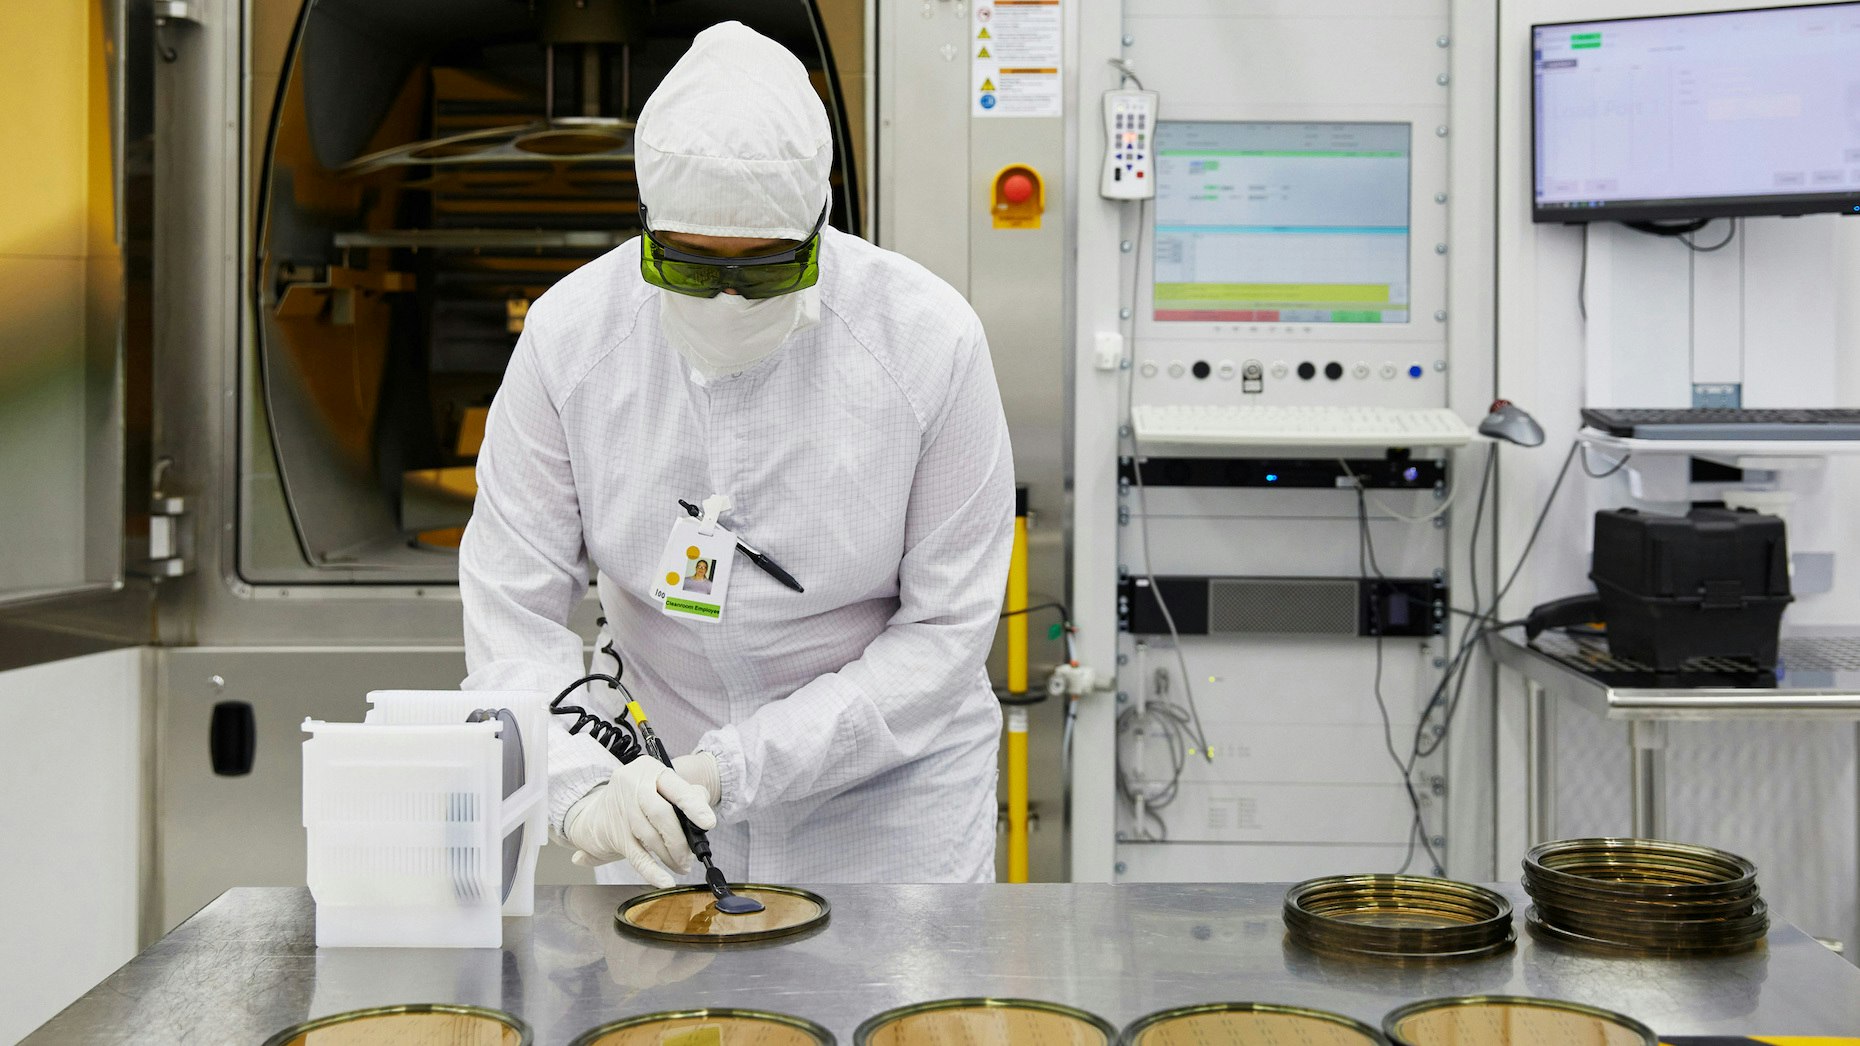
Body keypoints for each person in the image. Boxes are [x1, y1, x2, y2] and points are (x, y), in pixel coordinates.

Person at [460, 21, 1015, 888]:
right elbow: (511, 610)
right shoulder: (571, 342)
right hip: (654, 791)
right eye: (687, 268)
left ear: (819, 228)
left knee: (892, 983)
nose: (725, 301)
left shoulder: (926, 344)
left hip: (888, 798)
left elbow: (944, 635)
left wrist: (733, 767)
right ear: (646, 227)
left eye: (764, 271)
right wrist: (580, 791)